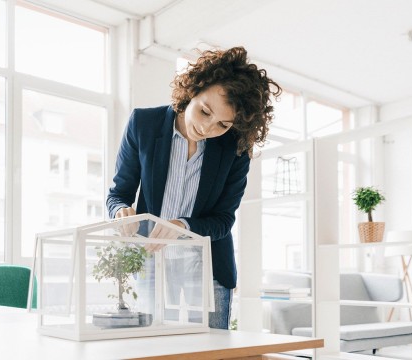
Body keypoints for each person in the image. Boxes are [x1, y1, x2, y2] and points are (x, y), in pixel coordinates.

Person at [106, 46, 281, 329]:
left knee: (211, 351)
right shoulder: (143, 124)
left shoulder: (235, 148)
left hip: (209, 266)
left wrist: (182, 226)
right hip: (152, 261)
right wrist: (120, 212)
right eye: (205, 111)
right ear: (193, 90)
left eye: (223, 124)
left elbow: (224, 221)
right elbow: (118, 195)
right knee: (156, 348)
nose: (208, 128)